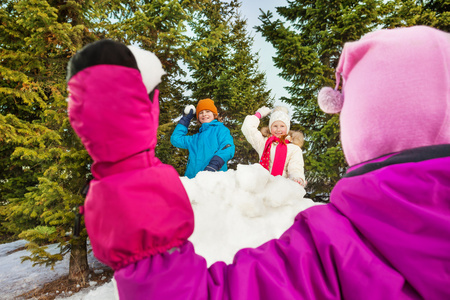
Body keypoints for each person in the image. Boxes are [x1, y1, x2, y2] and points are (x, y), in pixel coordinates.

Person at [68, 26, 450, 299]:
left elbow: (237, 148)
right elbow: (180, 140)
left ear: (360, 127)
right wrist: (185, 123)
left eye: (205, 115)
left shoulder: (333, 250)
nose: (203, 118)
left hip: (260, 184)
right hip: (195, 179)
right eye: (199, 115)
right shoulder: (202, 132)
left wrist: (135, 161)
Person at [241, 106, 306, 187]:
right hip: (261, 186)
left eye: (282, 126)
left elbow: (296, 167)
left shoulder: (294, 148)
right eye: (275, 126)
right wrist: (258, 114)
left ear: (287, 128)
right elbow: (248, 128)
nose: (278, 129)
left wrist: (297, 178)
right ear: (270, 127)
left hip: (282, 188)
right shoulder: (263, 142)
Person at [170, 98, 235, 178]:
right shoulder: (194, 139)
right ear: (198, 118)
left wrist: (214, 165)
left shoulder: (221, 130)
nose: (204, 114)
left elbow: (228, 147)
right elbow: (175, 139)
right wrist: (185, 120)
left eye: (208, 111)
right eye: (201, 113)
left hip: (214, 178)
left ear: (214, 114)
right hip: (193, 180)